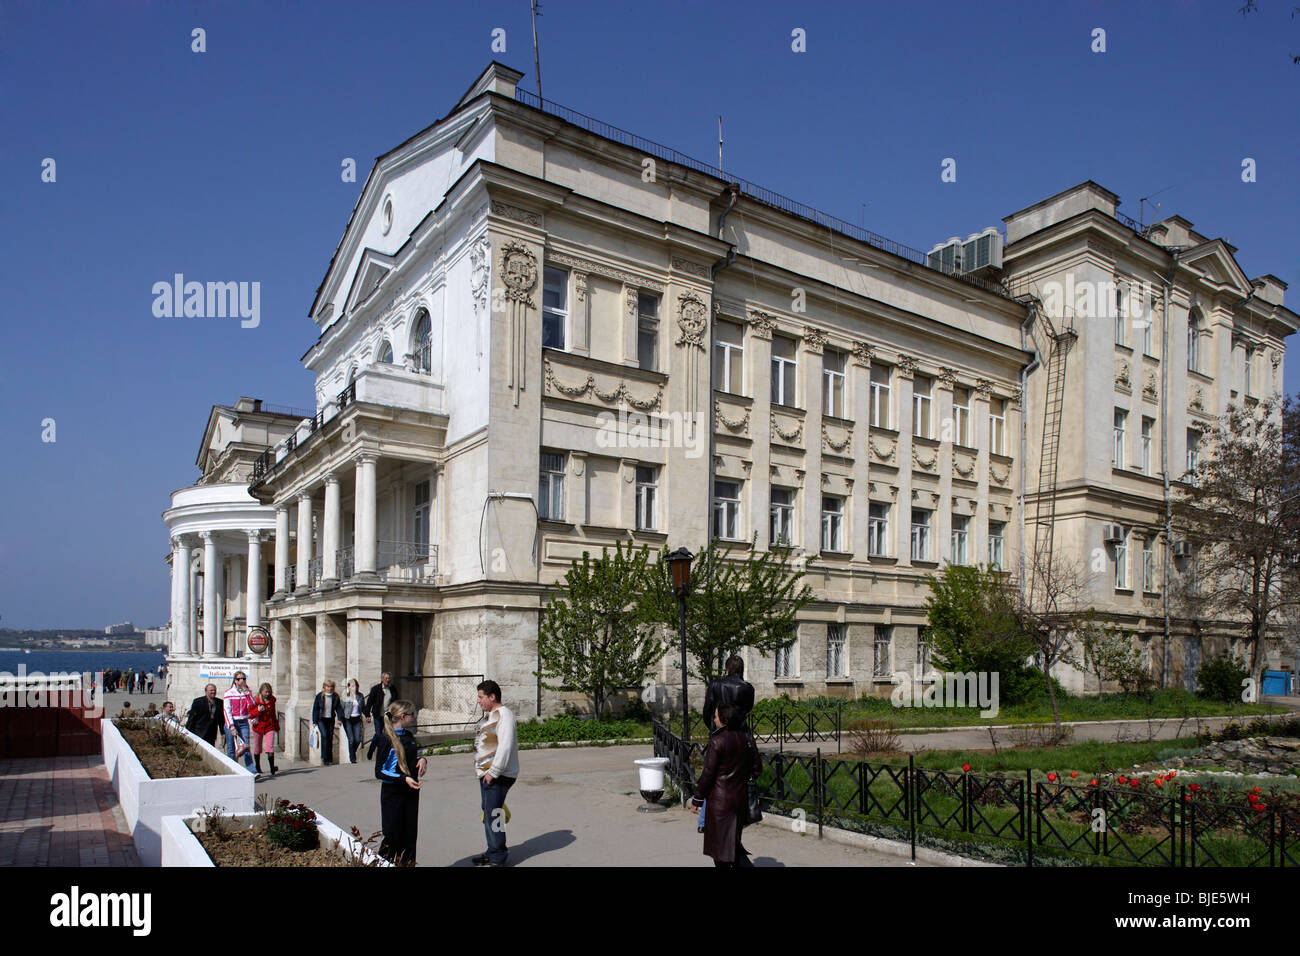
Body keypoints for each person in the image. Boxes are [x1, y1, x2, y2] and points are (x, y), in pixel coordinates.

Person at [691, 702, 761, 867]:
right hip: (740, 801)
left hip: (720, 805)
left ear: (724, 719)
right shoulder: (748, 739)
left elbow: (708, 774)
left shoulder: (717, 741)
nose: (714, 720)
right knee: (733, 846)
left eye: (716, 716)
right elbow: (757, 770)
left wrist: (697, 799)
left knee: (722, 851)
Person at [698, 655, 756, 832]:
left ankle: (704, 822)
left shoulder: (715, 685)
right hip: (740, 735)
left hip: (719, 734)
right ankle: (740, 815)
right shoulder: (747, 688)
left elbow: (707, 709)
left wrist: (714, 728)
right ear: (742, 669)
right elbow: (747, 710)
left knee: (714, 773)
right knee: (739, 774)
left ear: (727, 668)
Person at [373, 699, 426, 865]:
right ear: (403, 716)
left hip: (410, 794)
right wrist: (404, 779)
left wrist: (423, 760)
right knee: (392, 837)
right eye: (412, 715)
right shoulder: (386, 739)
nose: (415, 718)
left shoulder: (409, 736)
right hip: (393, 795)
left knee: (409, 837)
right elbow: (380, 771)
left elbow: (408, 760)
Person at [472, 679, 518, 867]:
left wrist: (494, 772)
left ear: (492, 697)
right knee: (489, 813)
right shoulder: (490, 716)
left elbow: (505, 746)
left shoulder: (504, 715)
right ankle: (492, 850)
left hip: (498, 775)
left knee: (494, 814)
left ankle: (498, 856)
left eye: (481, 697)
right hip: (487, 774)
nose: (478, 701)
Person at [223, 671, 257, 772]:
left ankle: (252, 771)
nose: (241, 681)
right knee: (231, 748)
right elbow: (227, 710)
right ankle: (232, 770)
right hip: (232, 721)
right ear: (235, 681)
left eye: (243, 678)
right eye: (238, 679)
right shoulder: (229, 693)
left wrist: (247, 693)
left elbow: (252, 704)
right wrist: (231, 726)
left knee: (246, 746)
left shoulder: (247, 691)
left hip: (243, 722)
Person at [249, 682, 280, 777]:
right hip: (258, 726)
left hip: (269, 726)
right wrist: (257, 710)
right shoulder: (255, 700)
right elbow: (250, 713)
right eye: (266, 692)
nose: (268, 694)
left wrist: (276, 726)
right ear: (261, 691)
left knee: (270, 746)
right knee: (257, 748)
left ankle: (272, 768)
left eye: (269, 692)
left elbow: (273, 714)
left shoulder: (272, 700)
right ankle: (257, 766)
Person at [312, 680, 343, 766]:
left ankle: (329, 757)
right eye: (328, 687)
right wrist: (314, 721)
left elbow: (339, 708)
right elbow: (315, 709)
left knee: (329, 737)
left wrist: (340, 718)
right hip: (321, 719)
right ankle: (324, 758)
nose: (329, 689)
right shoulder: (319, 696)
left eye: (331, 687)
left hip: (330, 719)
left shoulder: (335, 696)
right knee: (324, 736)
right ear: (324, 687)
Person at [365, 672, 395, 759]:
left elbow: (396, 701)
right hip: (378, 715)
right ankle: (371, 750)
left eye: (389, 678)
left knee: (387, 734)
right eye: (386, 678)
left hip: (388, 715)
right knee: (378, 734)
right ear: (382, 679)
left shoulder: (392, 689)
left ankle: (384, 752)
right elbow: (369, 702)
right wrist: (367, 715)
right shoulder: (376, 689)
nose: (388, 680)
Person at [342, 678, 367, 764]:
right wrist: (340, 719)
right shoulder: (346, 696)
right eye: (352, 686)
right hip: (348, 719)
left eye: (355, 686)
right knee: (351, 739)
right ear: (349, 687)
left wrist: (367, 715)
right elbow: (341, 708)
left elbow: (363, 707)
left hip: (357, 719)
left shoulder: (360, 696)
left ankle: (352, 751)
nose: (354, 687)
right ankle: (352, 758)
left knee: (357, 739)